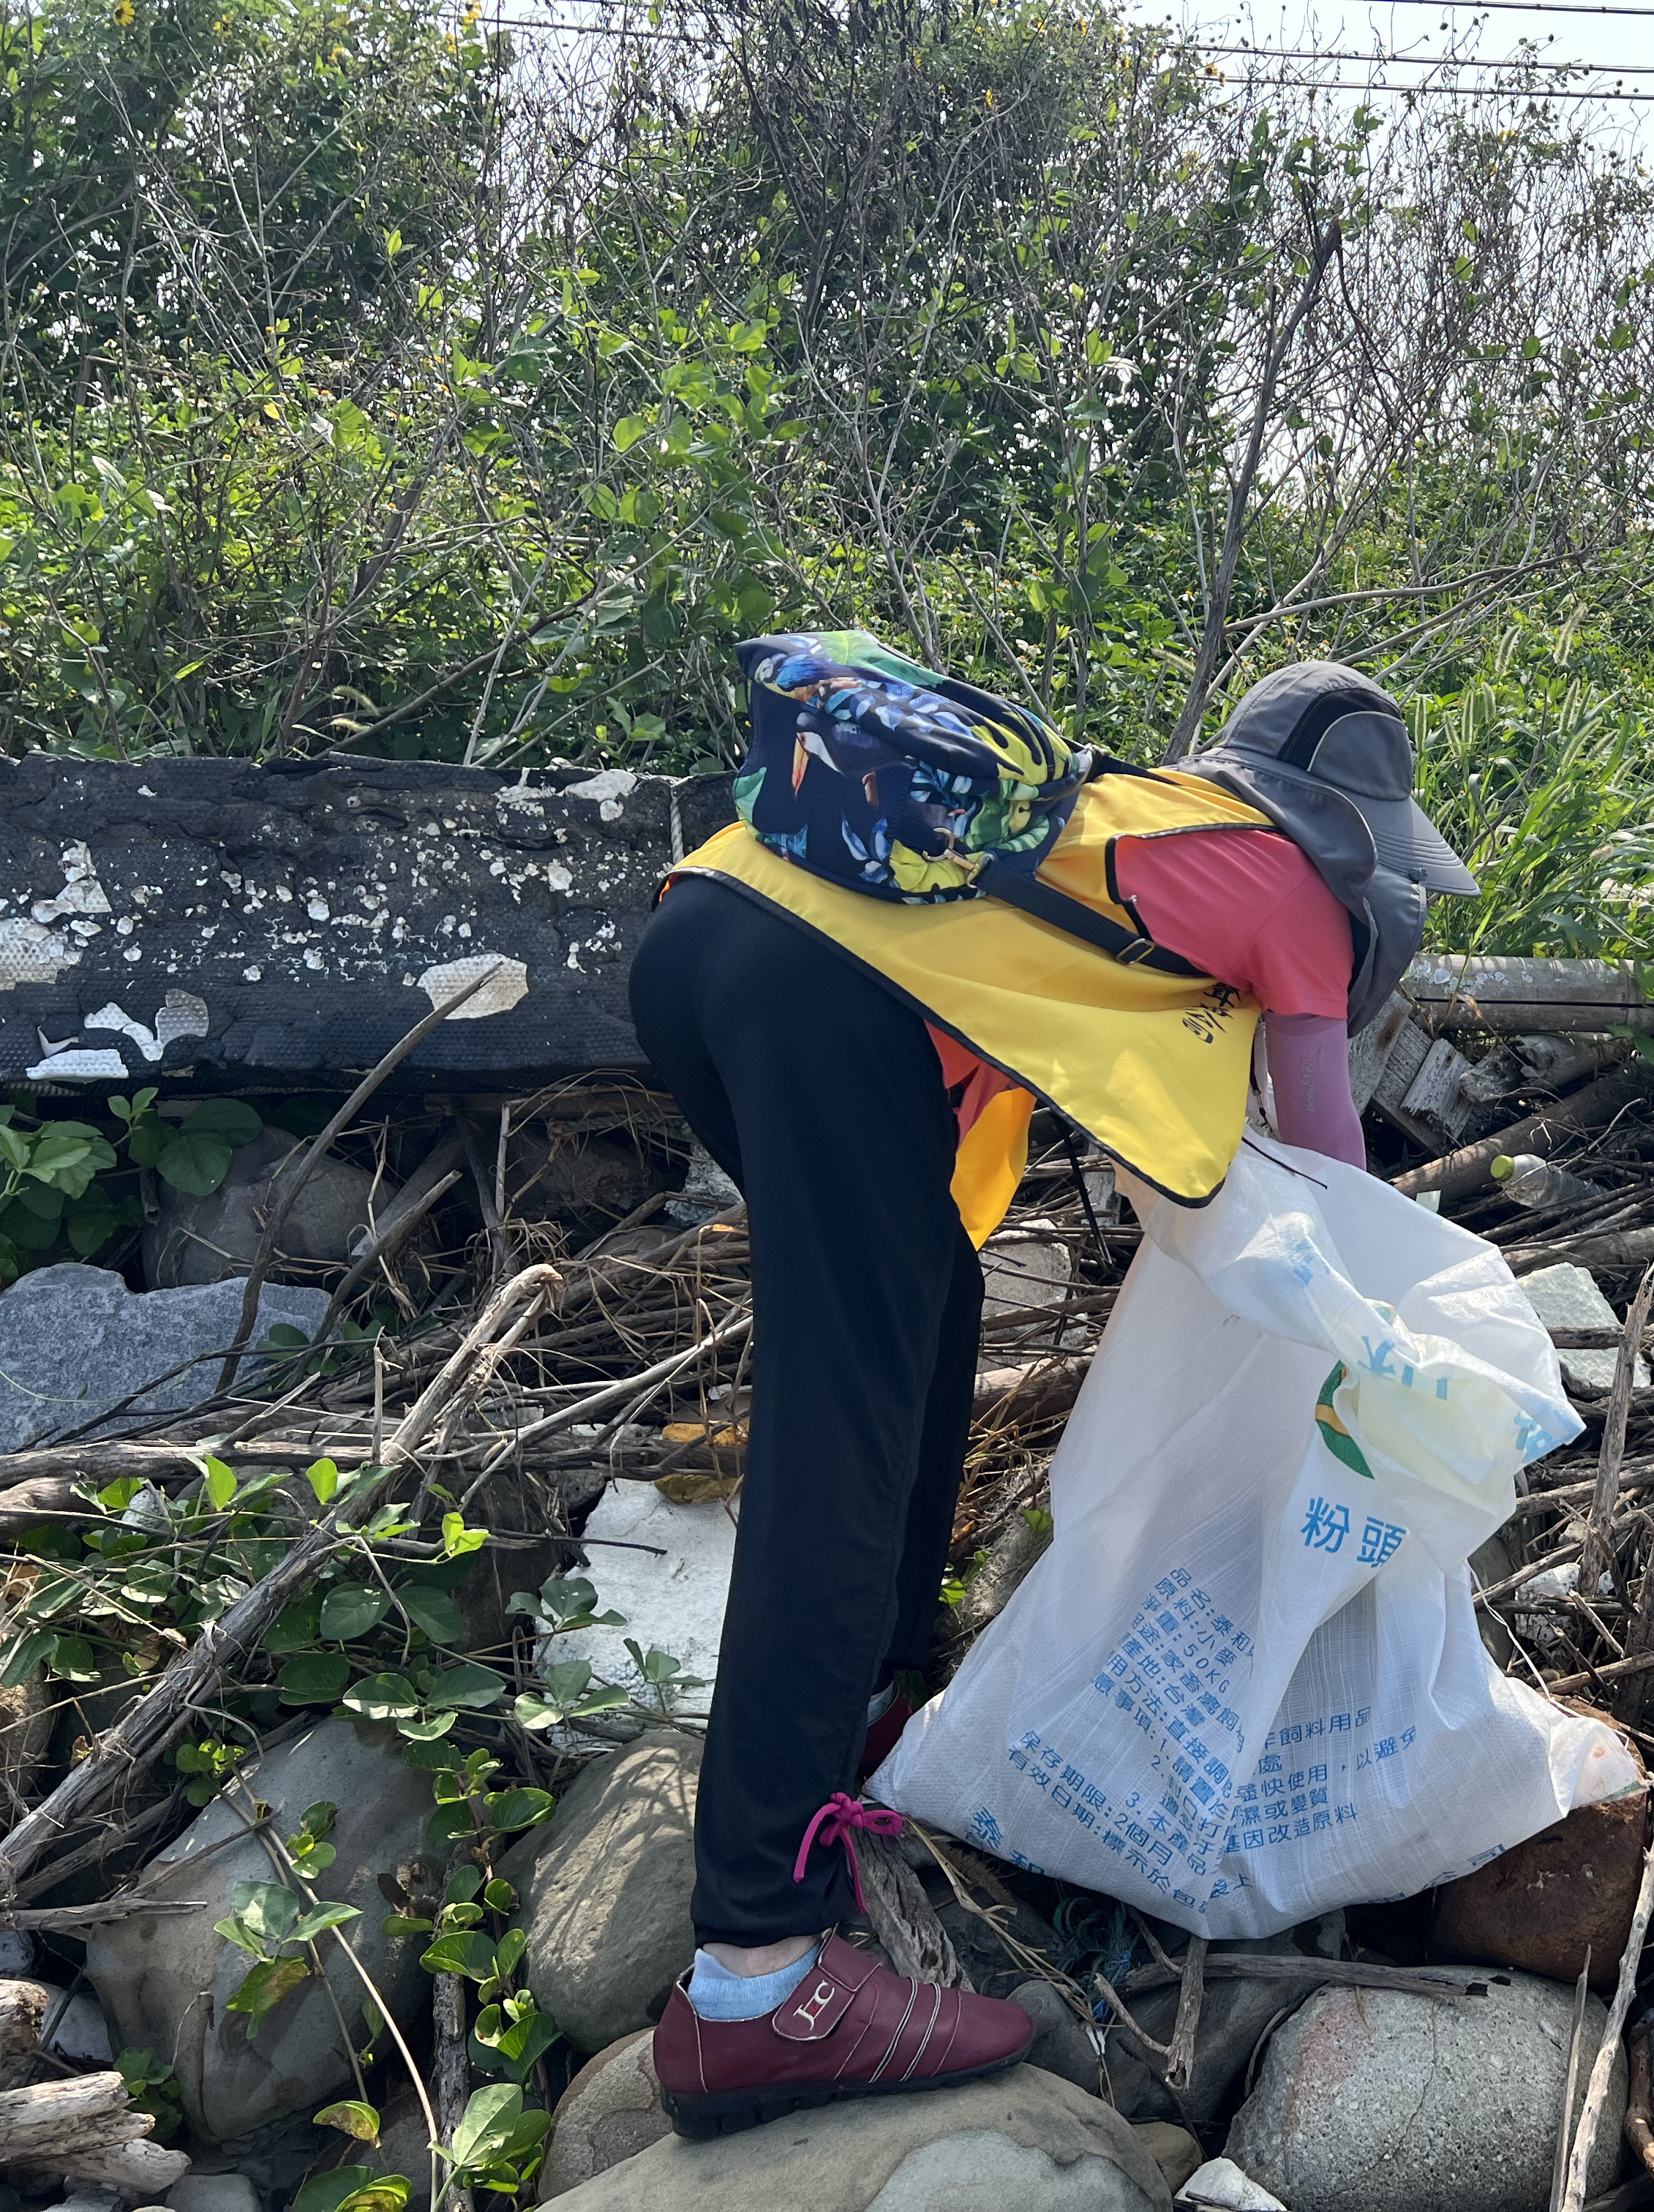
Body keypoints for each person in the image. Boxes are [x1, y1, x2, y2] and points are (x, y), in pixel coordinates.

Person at [625, 650, 1476, 2137]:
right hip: (825, 1004)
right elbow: (1336, 1186)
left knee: (928, 1320)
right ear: (1361, 834)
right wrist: (1419, 1381)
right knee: (843, 1438)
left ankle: (873, 1718)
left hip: (704, 942)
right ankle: (757, 1975)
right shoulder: (1296, 899)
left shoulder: (1135, 814)